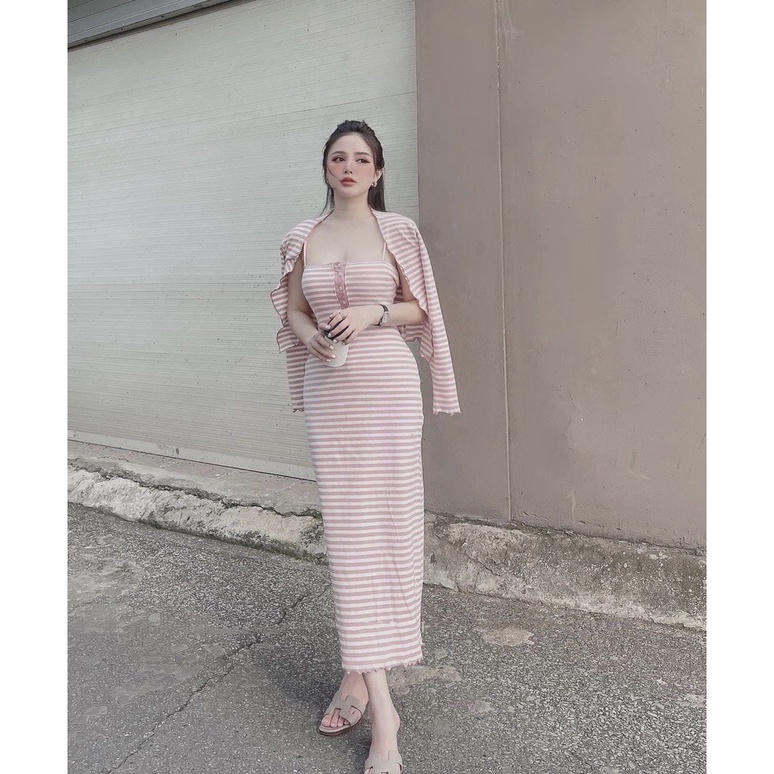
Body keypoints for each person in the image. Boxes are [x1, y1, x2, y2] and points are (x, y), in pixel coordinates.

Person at [270, 119, 460, 774]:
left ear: (377, 172)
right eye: (337, 157)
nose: (348, 167)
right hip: (332, 395)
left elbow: (422, 310)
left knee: (390, 533)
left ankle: (363, 677)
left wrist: (372, 313)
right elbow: (293, 309)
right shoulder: (302, 237)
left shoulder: (398, 231)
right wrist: (313, 337)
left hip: (387, 391)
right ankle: (382, 708)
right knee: (351, 541)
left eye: (360, 158)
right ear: (325, 168)